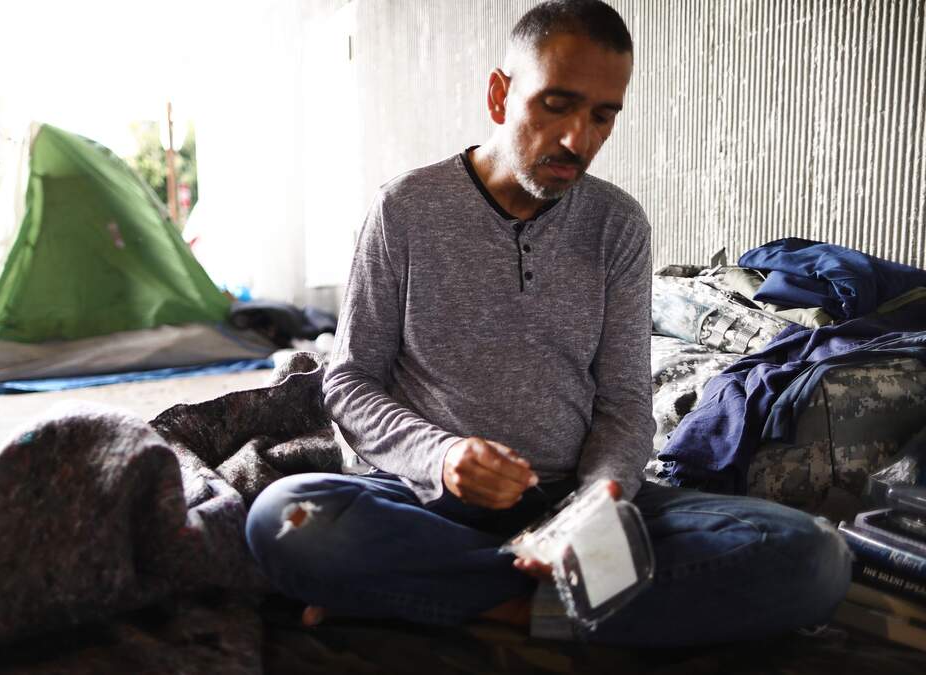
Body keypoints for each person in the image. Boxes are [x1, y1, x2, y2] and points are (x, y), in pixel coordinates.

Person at [245, 0, 851, 646]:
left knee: (814, 555)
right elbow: (348, 382)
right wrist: (442, 455)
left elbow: (625, 403)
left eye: (602, 116)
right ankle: (556, 606)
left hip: (572, 502)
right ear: (500, 95)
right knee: (287, 517)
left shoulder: (618, 226)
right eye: (556, 106)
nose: (577, 141)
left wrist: (595, 506)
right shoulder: (405, 210)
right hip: (429, 504)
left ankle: (451, 596)